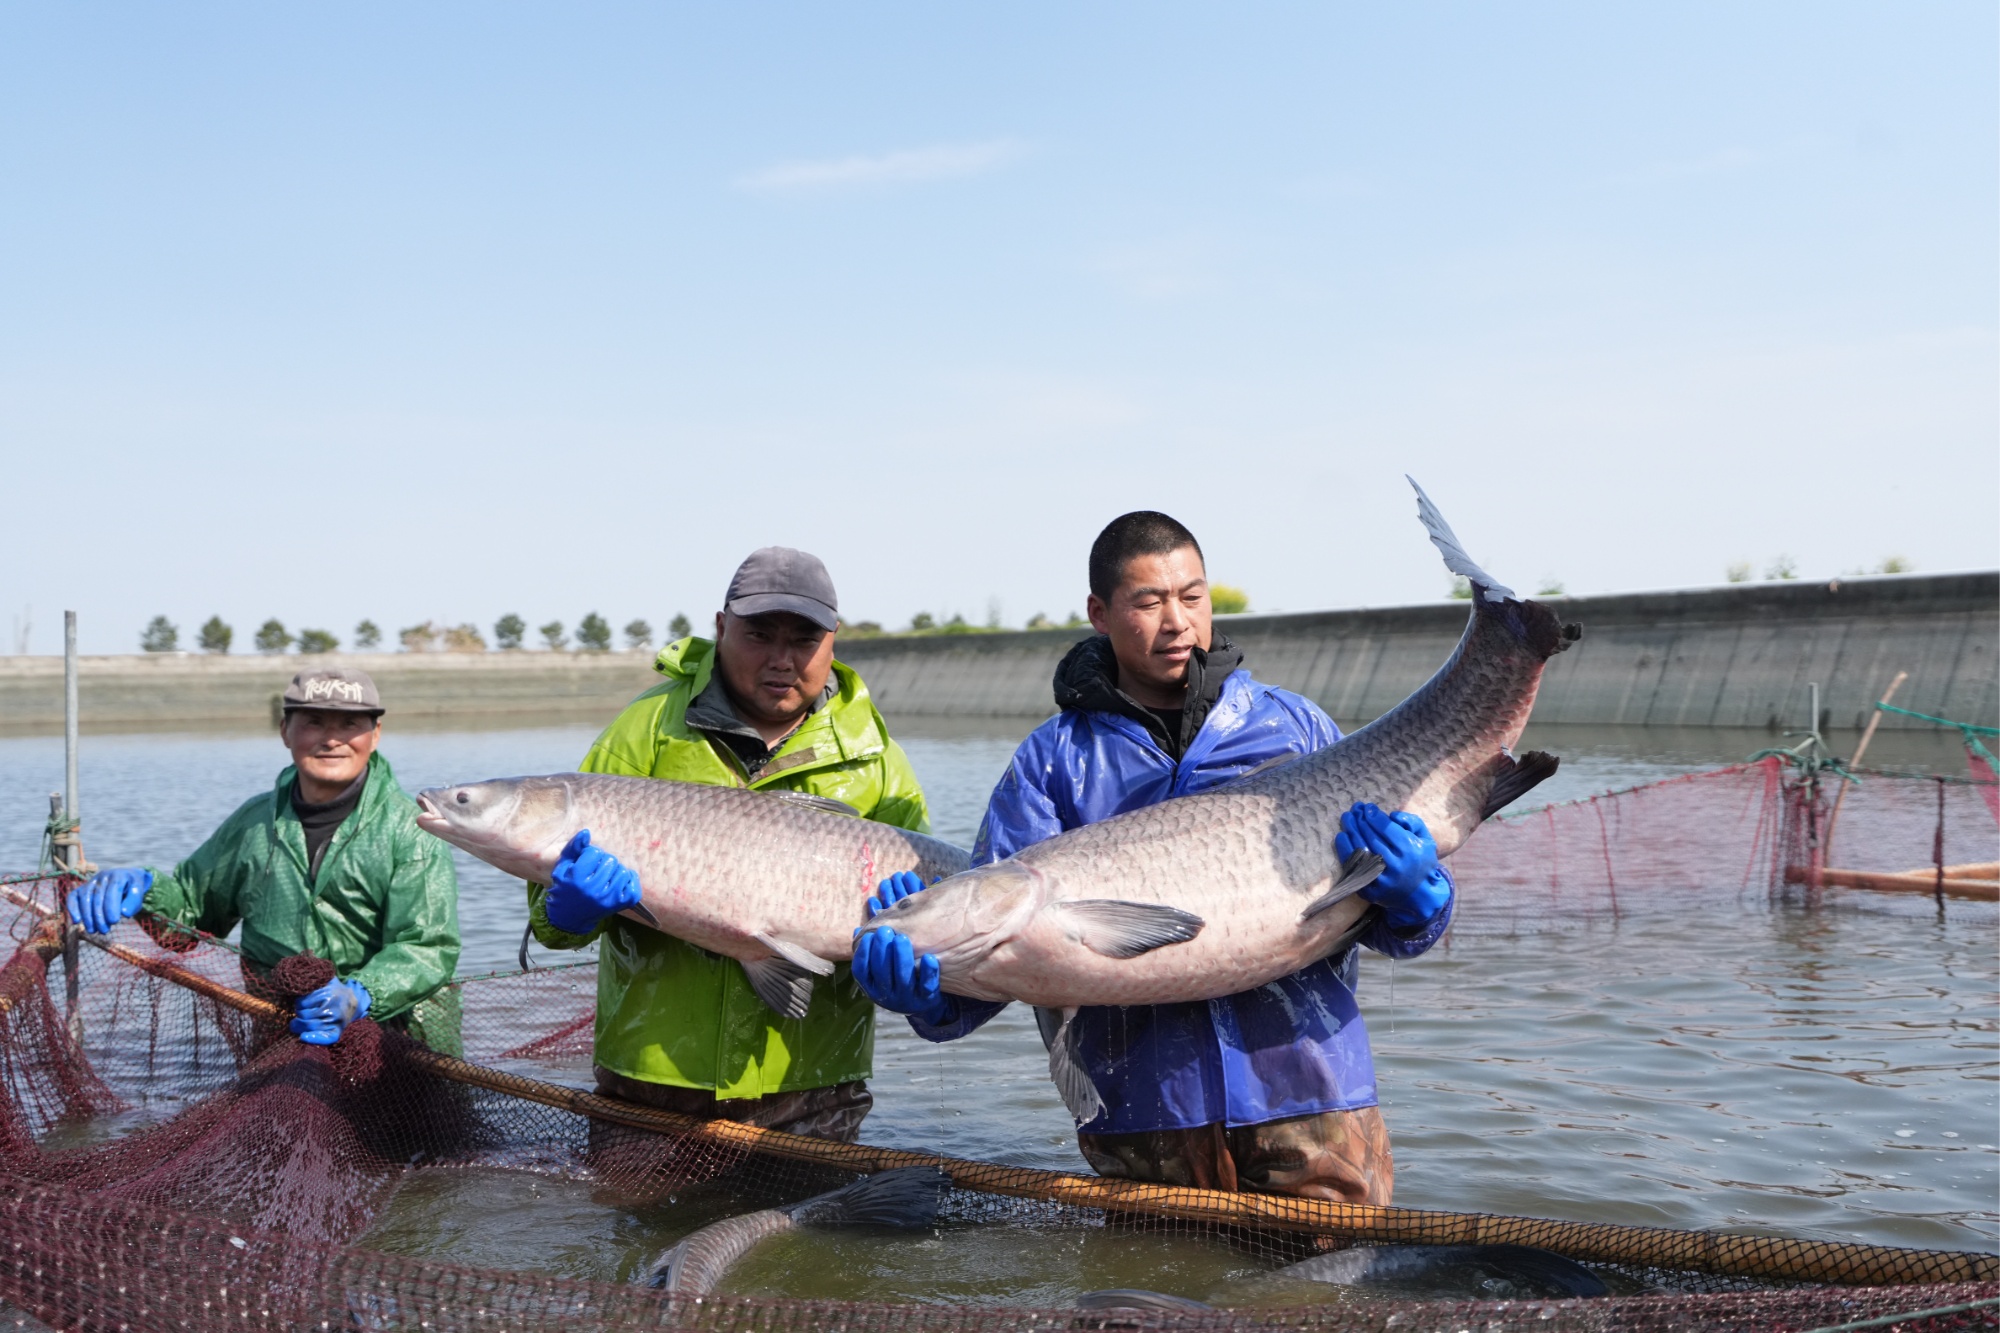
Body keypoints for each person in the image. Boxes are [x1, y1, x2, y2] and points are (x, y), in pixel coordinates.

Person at [851, 512, 1453, 1204]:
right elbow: (1003, 944)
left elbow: (1382, 923)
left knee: (1332, 1299)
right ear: (1099, 614)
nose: (1177, 621)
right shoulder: (1052, 764)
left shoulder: (1298, 729)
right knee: (1151, 1301)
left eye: (1192, 597)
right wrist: (932, 994)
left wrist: (1420, 900)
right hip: (1143, 1120)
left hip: (1313, 1099)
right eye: (1149, 601)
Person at [526, 547, 931, 1143]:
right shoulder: (644, 732)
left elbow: (940, 931)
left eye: (804, 640)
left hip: (814, 1081)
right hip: (652, 1074)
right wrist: (566, 910)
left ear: (833, 641)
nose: (781, 660)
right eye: (759, 635)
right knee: (636, 1236)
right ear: (720, 628)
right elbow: (552, 924)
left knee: (802, 1237)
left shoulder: (878, 762)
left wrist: (914, 976)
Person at [66, 667, 461, 1048]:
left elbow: (427, 946)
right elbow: (192, 913)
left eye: (349, 725)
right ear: (285, 731)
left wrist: (361, 995)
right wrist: (146, 889)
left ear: (375, 735)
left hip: (404, 1043)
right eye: (314, 723)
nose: (332, 739)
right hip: (284, 1037)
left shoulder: (413, 828)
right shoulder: (252, 824)